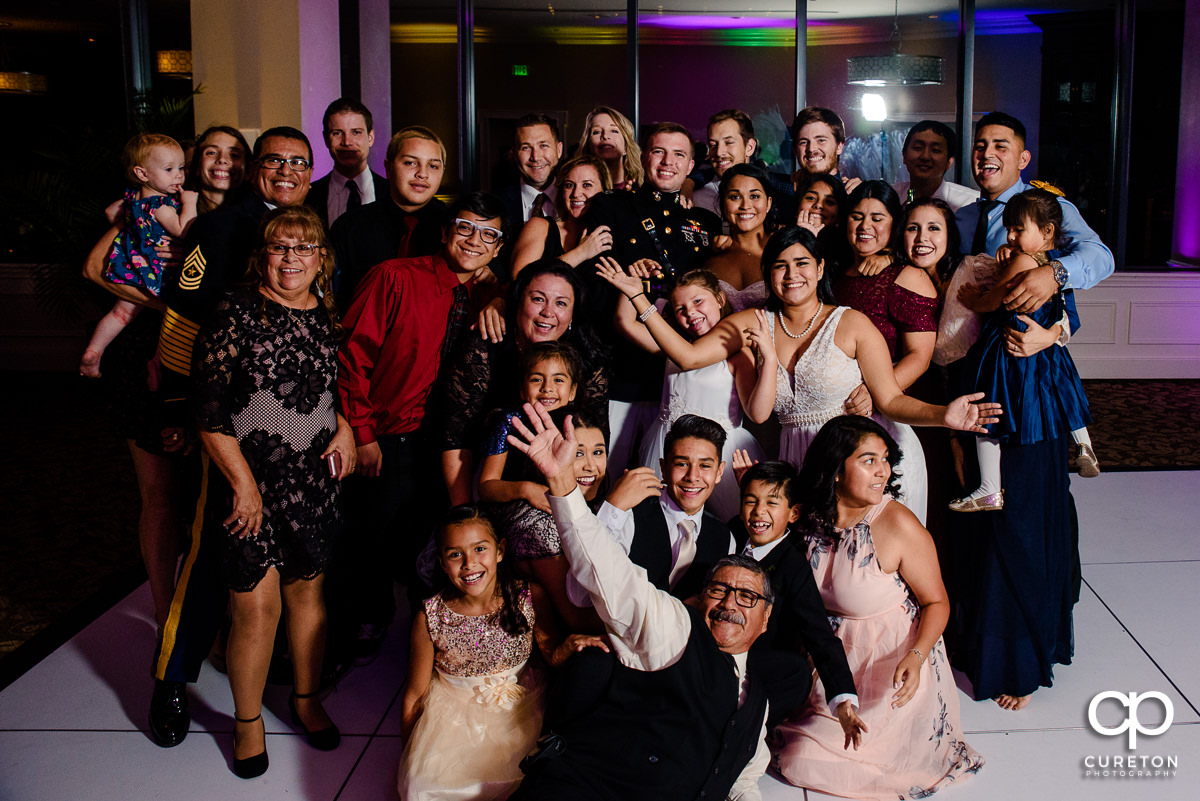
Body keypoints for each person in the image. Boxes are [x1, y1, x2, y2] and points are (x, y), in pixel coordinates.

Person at [505, 402, 866, 801]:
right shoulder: (670, 616)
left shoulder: (755, 702)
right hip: (638, 662)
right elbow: (604, 571)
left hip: (703, 677)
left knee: (792, 673)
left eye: (747, 596)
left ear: (765, 619)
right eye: (719, 590)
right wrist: (564, 487)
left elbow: (745, 782)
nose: (731, 601)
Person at [141, 125, 316, 749]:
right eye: (275, 162)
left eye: (299, 162)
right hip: (231, 431)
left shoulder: (308, 224)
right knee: (213, 561)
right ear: (255, 170)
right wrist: (181, 412)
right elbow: (181, 323)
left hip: (294, 433)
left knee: (282, 571)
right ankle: (170, 678)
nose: (288, 171)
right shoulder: (217, 230)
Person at [595, 226, 1002, 475]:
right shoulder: (753, 322)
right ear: (769, 274)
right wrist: (640, 300)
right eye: (780, 266)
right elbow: (686, 357)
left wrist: (943, 416)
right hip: (793, 460)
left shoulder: (851, 323)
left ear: (820, 268)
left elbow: (891, 401)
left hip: (854, 456)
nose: (792, 275)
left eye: (802, 263)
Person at [950, 111, 1113, 711]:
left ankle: (1018, 651)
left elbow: (1098, 260)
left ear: (1023, 156)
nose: (987, 153)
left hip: (1026, 388)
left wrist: (1054, 277)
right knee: (977, 516)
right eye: (980, 145)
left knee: (1020, 515)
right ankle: (972, 635)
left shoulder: (1048, 210)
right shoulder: (964, 214)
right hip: (969, 376)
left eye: (1002, 145)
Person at [191, 205, 356, 778]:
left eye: (303, 248)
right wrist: (243, 487)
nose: (291, 259)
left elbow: (330, 393)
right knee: (254, 608)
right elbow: (210, 414)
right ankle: (247, 722)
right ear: (262, 255)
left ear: (321, 259)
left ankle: (306, 701)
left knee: (308, 598)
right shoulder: (234, 311)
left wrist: (348, 429)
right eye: (279, 248)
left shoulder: (325, 315)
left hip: (312, 481)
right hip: (249, 480)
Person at [771, 416, 985, 799]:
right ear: (836, 470)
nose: (882, 471)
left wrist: (917, 659)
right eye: (868, 460)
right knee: (791, 753)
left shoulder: (898, 525)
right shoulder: (809, 517)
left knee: (808, 761)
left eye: (885, 459)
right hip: (826, 656)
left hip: (889, 663)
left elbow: (937, 601)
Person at [333, 192, 506, 665]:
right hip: (392, 436)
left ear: (497, 248)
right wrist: (363, 434)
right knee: (372, 535)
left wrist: (499, 295)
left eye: (488, 235)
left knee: (436, 543)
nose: (475, 241)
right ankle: (365, 625)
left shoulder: (489, 296)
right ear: (447, 231)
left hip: (453, 443)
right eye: (466, 228)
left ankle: (434, 644)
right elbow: (351, 357)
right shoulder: (393, 276)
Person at [399, 505, 606, 801]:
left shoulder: (528, 596)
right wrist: (409, 756)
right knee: (424, 787)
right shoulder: (430, 616)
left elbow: (549, 652)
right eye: (455, 554)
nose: (470, 564)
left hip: (518, 706)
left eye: (479, 549)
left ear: (500, 551)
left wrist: (570, 645)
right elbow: (415, 695)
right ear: (442, 563)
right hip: (452, 714)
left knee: (524, 778)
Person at [582, 121, 723, 478]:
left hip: (681, 376)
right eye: (659, 151)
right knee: (605, 476)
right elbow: (591, 270)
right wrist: (631, 268)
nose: (667, 162)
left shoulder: (704, 221)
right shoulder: (612, 206)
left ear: (691, 166)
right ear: (644, 157)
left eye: (679, 154)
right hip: (622, 370)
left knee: (671, 481)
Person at [951, 188, 1097, 512]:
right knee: (1063, 393)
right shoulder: (1059, 265)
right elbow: (1066, 311)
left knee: (986, 413)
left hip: (1007, 348)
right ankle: (1084, 445)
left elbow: (998, 298)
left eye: (1019, 229)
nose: (1012, 237)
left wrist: (975, 300)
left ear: (1046, 231)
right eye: (1009, 230)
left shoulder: (1023, 260)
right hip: (1049, 352)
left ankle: (989, 488)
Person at [438, 259, 609, 507]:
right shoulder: (487, 347)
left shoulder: (588, 359)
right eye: (538, 299)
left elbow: (597, 441)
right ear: (517, 302)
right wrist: (464, 513)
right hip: (491, 482)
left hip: (565, 491)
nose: (548, 312)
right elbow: (455, 438)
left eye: (561, 303)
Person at [612, 269, 769, 521]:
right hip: (669, 445)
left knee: (732, 519)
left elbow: (756, 412)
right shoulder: (673, 346)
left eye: (698, 301)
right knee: (660, 518)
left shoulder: (737, 354)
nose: (690, 313)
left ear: (719, 299)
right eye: (680, 309)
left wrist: (768, 358)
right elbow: (624, 322)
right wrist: (633, 281)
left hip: (721, 449)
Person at [834, 180, 939, 523]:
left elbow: (920, 356)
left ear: (894, 223)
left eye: (878, 218)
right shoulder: (831, 273)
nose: (865, 227)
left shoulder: (906, 277)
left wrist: (875, 392)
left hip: (886, 418)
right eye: (857, 217)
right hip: (834, 420)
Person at [736, 460, 857, 726]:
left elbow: (819, 635)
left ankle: (745, 728)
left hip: (758, 662)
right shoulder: (729, 536)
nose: (759, 512)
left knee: (797, 674)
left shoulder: (793, 566)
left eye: (771, 503)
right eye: (750, 501)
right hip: (714, 653)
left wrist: (843, 701)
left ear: (793, 513)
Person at [79, 133, 198, 378]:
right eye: (169, 169)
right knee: (174, 316)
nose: (178, 175)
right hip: (157, 271)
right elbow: (183, 229)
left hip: (131, 266)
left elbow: (110, 212)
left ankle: (93, 351)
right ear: (142, 174)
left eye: (181, 168)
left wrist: (133, 232)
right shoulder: (162, 205)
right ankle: (158, 361)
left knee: (120, 313)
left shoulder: (132, 200)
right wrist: (189, 204)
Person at [588, 414, 738, 600]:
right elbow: (587, 589)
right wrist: (614, 506)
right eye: (682, 464)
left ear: (719, 472)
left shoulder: (725, 538)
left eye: (705, 466)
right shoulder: (628, 515)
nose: (692, 476)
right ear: (664, 468)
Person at [504, 405, 610, 632]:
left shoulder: (597, 503)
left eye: (598, 452)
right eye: (578, 453)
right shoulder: (538, 523)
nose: (590, 466)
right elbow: (577, 620)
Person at [330, 125, 449, 307]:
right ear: (388, 167)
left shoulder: (455, 228)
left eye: (433, 166)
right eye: (410, 163)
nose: (422, 174)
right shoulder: (349, 226)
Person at [510, 154, 613, 275]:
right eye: (569, 185)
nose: (576, 193)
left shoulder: (611, 235)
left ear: (604, 190)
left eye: (587, 185)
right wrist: (581, 253)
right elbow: (520, 278)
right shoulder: (540, 227)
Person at [704, 163, 776, 312]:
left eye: (754, 196)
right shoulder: (710, 253)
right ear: (723, 204)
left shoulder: (784, 248)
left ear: (768, 203)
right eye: (735, 197)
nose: (745, 205)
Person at [306, 98, 388, 226]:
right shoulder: (308, 197)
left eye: (356, 132)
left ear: (370, 137)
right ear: (326, 139)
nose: (347, 142)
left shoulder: (392, 193)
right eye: (337, 133)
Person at [892, 120, 980, 212]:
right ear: (904, 155)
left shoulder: (969, 203)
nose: (925, 156)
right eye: (918, 148)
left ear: (949, 161)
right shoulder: (889, 199)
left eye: (935, 150)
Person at [499, 113, 564, 229]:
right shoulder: (497, 203)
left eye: (543, 145)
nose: (536, 157)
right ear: (514, 154)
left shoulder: (574, 200)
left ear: (559, 150)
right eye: (526, 148)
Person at [692, 109, 759, 217]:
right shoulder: (695, 199)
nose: (719, 152)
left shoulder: (769, 192)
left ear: (749, 147)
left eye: (729, 142)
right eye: (713, 144)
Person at [186, 125, 250, 215]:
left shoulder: (260, 218)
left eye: (234, 155)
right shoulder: (172, 213)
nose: (222, 159)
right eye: (212, 153)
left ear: (247, 170)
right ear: (197, 165)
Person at [576, 106, 643, 191]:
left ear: (626, 147)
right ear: (588, 145)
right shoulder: (577, 191)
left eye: (614, 131)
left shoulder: (640, 189)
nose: (605, 136)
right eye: (597, 132)